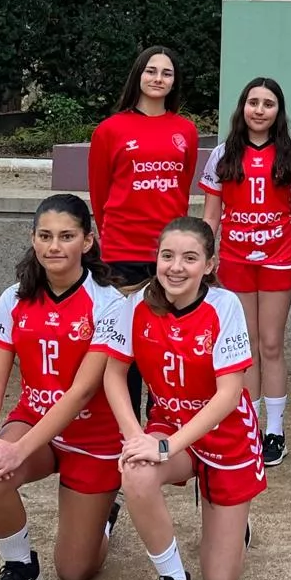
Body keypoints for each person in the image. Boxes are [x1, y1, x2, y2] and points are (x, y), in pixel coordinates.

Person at [95, 217, 265, 580]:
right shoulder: (134, 306)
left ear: (209, 264)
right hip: (170, 429)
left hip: (226, 439)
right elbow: (113, 375)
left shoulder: (225, 306)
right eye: (167, 256)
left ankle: (233, 523)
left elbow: (228, 395)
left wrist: (166, 446)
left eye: (190, 258)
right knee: (135, 470)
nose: (176, 267)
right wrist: (138, 438)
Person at [0, 194, 128, 580]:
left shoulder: (110, 303)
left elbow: (80, 392)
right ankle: (20, 567)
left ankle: (105, 515)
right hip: (34, 421)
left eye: (66, 236)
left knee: (76, 571)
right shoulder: (15, 297)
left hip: (93, 437)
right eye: (45, 236)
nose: (54, 246)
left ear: (88, 241)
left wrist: (17, 450)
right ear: (33, 239)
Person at [201, 77, 291, 467]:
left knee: (271, 344)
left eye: (268, 103)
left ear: (278, 111)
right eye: (253, 102)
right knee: (244, 348)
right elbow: (211, 215)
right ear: (242, 107)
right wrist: (203, 259)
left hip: (278, 260)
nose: (260, 109)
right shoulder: (221, 154)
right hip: (234, 261)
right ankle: (247, 425)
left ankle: (275, 430)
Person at [89, 45, 200, 418]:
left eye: (166, 73)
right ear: (139, 74)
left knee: (163, 343)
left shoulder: (185, 130)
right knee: (126, 345)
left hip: (168, 257)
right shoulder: (110, 130)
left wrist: (175, 249)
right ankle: (125, 426)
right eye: (152, 71)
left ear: (174, 82)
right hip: (122, 251)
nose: (158, 79)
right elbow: (100, 193)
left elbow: (182, 189)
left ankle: (161, 424)